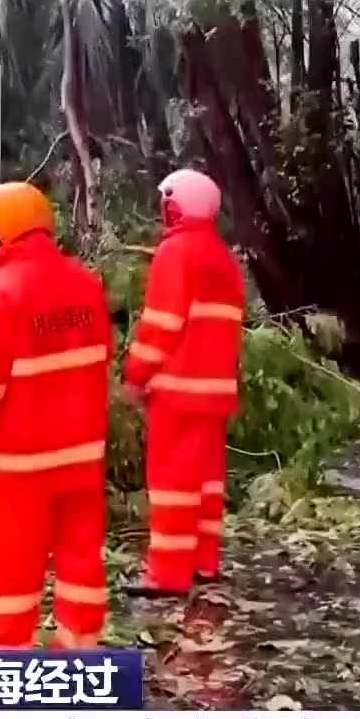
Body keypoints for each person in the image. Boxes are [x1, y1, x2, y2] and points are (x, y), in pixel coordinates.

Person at [0, 181, 112, 649]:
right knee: (81, 561)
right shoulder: (85, 282)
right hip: (81, 458)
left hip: (20, 466)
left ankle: (2, 667)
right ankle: (80, 653)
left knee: (9, 576)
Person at [118, 168, 247, 598]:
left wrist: (135, 375)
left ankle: (167, 574)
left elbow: (160, 327)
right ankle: (203, 563)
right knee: (206, 483)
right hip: (215, 392)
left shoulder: (176, 255)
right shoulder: (224, 262)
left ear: (174, 205)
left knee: (172, 484)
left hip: (177, 390)